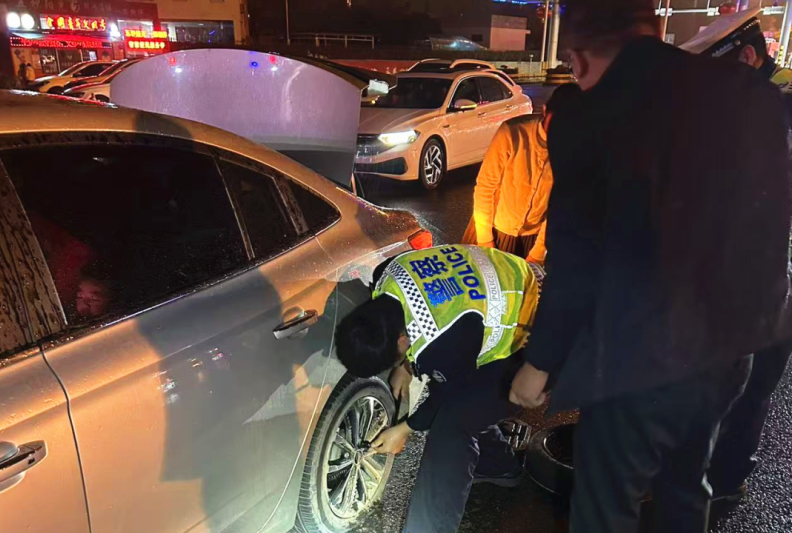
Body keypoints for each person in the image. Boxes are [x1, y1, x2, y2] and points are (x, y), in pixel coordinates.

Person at [508, 1, 791, 533]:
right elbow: (771, 221)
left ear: (577, 57)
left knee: (606, 505)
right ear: (654, 26)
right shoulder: (746, 93)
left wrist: (540, 363)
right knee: (686, 486)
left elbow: (577, 255)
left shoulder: (586, 116)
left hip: (636, 359)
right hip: (728, 351)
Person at [335, 244, 543, 533]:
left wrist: (404, 429)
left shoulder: (442, 346)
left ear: (401, 340)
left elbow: (449, 393)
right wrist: (405, 366)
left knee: (452, 423)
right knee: (465, 404)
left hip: (538, 337)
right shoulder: (386, 275)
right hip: (509, 279)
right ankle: (499, 466)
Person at [681, 7, 792, 502]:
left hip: (764, 288)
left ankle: (717, 482)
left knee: (739, 388)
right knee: (741, 391)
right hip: (755, 285)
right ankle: (722, 477)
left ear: (746, 57)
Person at [462, 83, 582, 264]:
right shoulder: (512, 133)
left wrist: (538, 253)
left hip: (534, 239)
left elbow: (559, 206)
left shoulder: (573, 151)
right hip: (494, 230)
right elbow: (485, 188)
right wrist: (486, 241)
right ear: (545, 110)